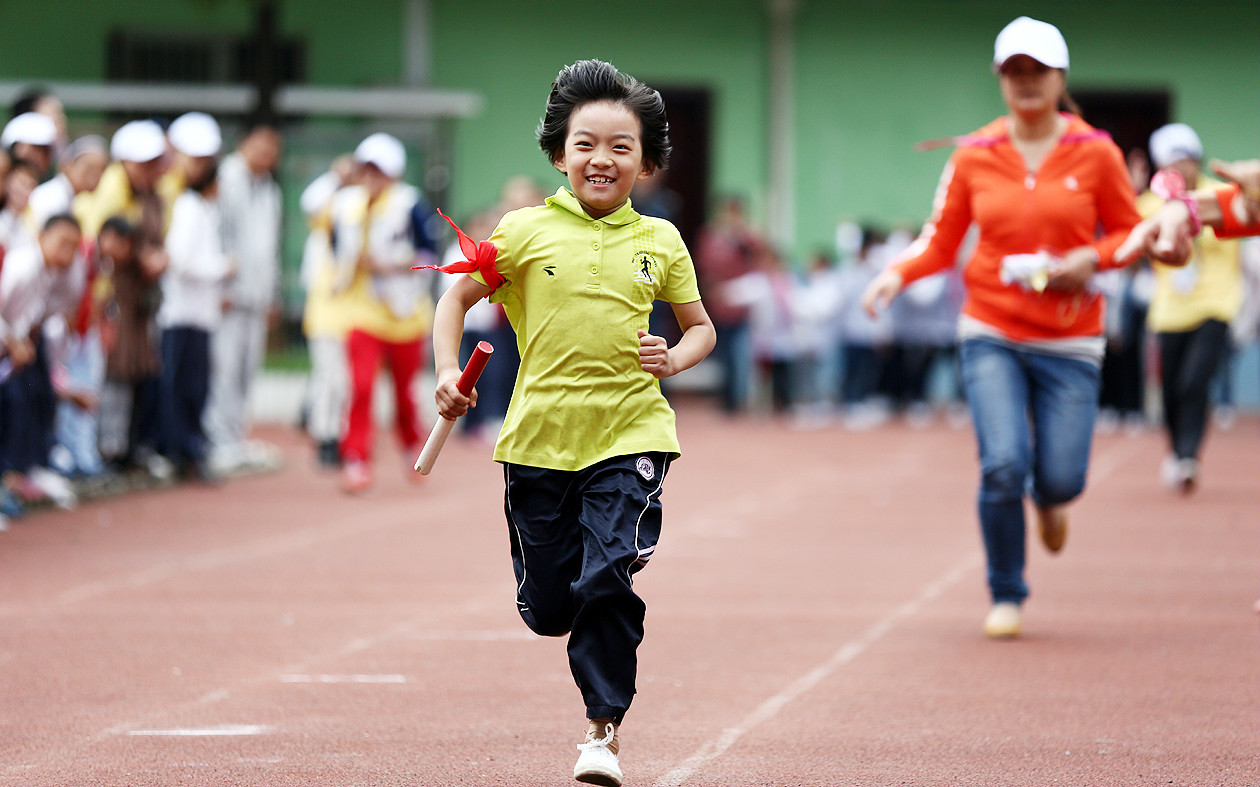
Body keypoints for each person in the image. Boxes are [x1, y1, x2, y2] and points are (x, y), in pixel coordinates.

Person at [429, 59, 715, 786]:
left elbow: (700, 328)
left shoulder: (662, 241)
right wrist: (443, 373)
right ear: (559, 153)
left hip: (632, 433)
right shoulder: (522, 232)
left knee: (607, 576)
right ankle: (573, 587)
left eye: (622, 146)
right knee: (551, 607)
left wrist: (674, 359)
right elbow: (455, 302)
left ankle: (603, 729)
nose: (603, 158)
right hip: (538, 441)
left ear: (646, 163)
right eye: (586, 143)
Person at [862, 17, 1141, 639]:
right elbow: (940, 240)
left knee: (1062, 477)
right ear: (1000, 79)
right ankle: (1007, 591)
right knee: (1002, 464)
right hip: (990, 328)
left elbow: (1129, 233)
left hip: (1071, 338)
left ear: (1060, 76)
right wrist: (895, 275)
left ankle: (1051, 500)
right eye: (1014, 71)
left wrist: (1090, 258)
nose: (1026, 82)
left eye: (1038, 70)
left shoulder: (1096, 151)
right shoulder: (976, 154)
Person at [328, 133, 438, 493]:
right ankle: (356, 458)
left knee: (404, 392)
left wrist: (390, 263)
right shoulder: (343, 204)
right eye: (366, 169)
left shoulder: (410, 204)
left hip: (405, 312)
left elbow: (428, 257)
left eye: (379, 171)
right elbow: (329, 238)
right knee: (360, 386)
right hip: (361, 310)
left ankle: (411, 449)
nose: (371, 178)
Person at [1139, 123, 1241, 493]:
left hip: (1216, 305)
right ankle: (1176, 448)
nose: (1182, 168)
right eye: (1173, 162)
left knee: (1195, 381)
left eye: (1187, 159)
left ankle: (1187, 456)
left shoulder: (1221, 194)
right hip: (1169, 310)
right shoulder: (1151, 204)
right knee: (1169, 390)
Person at [205, 123, 284, 474]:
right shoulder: (225, 179)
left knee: (246, 370)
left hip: (257, 293)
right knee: (223, 368)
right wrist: (220, 285)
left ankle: (236, 436)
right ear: (244, 144)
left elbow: (271, 247)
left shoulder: (269, 189)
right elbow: (217, 233)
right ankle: (217, 440)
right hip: (228, 292)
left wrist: (272, 294)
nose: (266, 156)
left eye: (273, 151)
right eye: (261, 147)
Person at [156, 143, 232, 482]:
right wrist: (221, 269)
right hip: (181, 314)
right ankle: (179, 451)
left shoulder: (204, 210)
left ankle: (191, 448)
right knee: (180, 386)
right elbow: (181, 261)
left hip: (200, 314)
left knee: (197, 387)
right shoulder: (188, 207)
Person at [0, 214, 86, 511]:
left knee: (35, 398)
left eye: (74, 247)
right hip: (10, 343)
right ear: (41, 237)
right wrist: (12, 341)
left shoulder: (58, 273)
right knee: (12, 402)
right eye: (62, 243)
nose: (67, 253)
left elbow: (49, 312)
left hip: (22, 344)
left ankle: (23, 472)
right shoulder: (22, 267)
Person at [695, 195, 763, 414]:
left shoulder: (744, 237)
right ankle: (726, 397)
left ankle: (738, 399)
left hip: (740, 307)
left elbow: (759, 251)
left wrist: (743, 232)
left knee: (739, 354)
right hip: (718, 306)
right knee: (723, 355)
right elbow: (704, 267)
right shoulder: (711, 237)